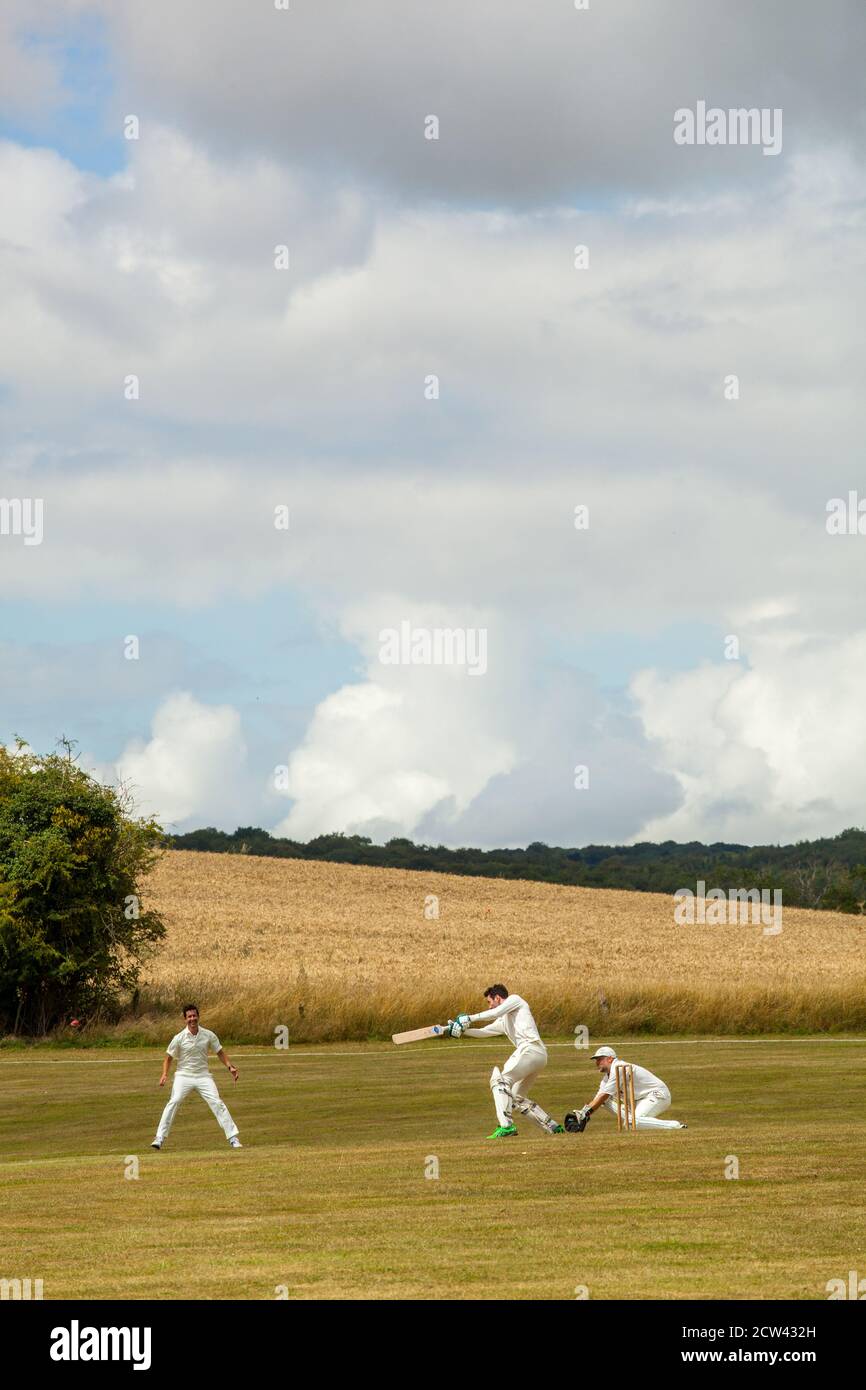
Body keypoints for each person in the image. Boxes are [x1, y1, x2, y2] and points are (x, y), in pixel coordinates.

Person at [448, 984, 564, 1138]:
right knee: (516, 1097)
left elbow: (495, 1012)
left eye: (490, 1002)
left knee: (500, 1081)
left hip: (530, 1048)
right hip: (539, 1056)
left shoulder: (515, 1000)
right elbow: (484, 1032)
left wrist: (469, 1018)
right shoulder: (504, 1020)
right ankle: (553, 1127)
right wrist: (461, 1031)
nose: (489, 1007)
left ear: (497, 998)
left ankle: (506, 1126)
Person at [151, 1004, 242, 1150]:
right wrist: (164, 1075)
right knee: (174, 1101)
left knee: (217, 1102)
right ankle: (159, 1138)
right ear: (185, 1019)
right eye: (189, 1017)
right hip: (183, 1076)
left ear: (198, 1017)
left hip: (203, 1076)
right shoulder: (179, 1038)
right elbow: (168, 1058)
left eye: (194, 1016)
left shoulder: (208, 1035)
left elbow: (220, 1052)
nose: (192, 1019)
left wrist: (230, 1066)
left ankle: (233, 1138)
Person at [564, 1045, 687, 1132]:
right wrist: (583, 1113)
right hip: (638, 1100)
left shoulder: (620, 1067)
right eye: (596, 1060)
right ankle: (636, 1120)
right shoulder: (606, 1078)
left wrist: (587, 1113)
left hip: (657, 1095)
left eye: (600, 1059)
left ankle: (675, 1126)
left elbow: (605, 1095)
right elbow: (599, 1099)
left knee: (631, 1122)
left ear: (610, 1058)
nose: (597, 1063)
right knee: (608, 1106)